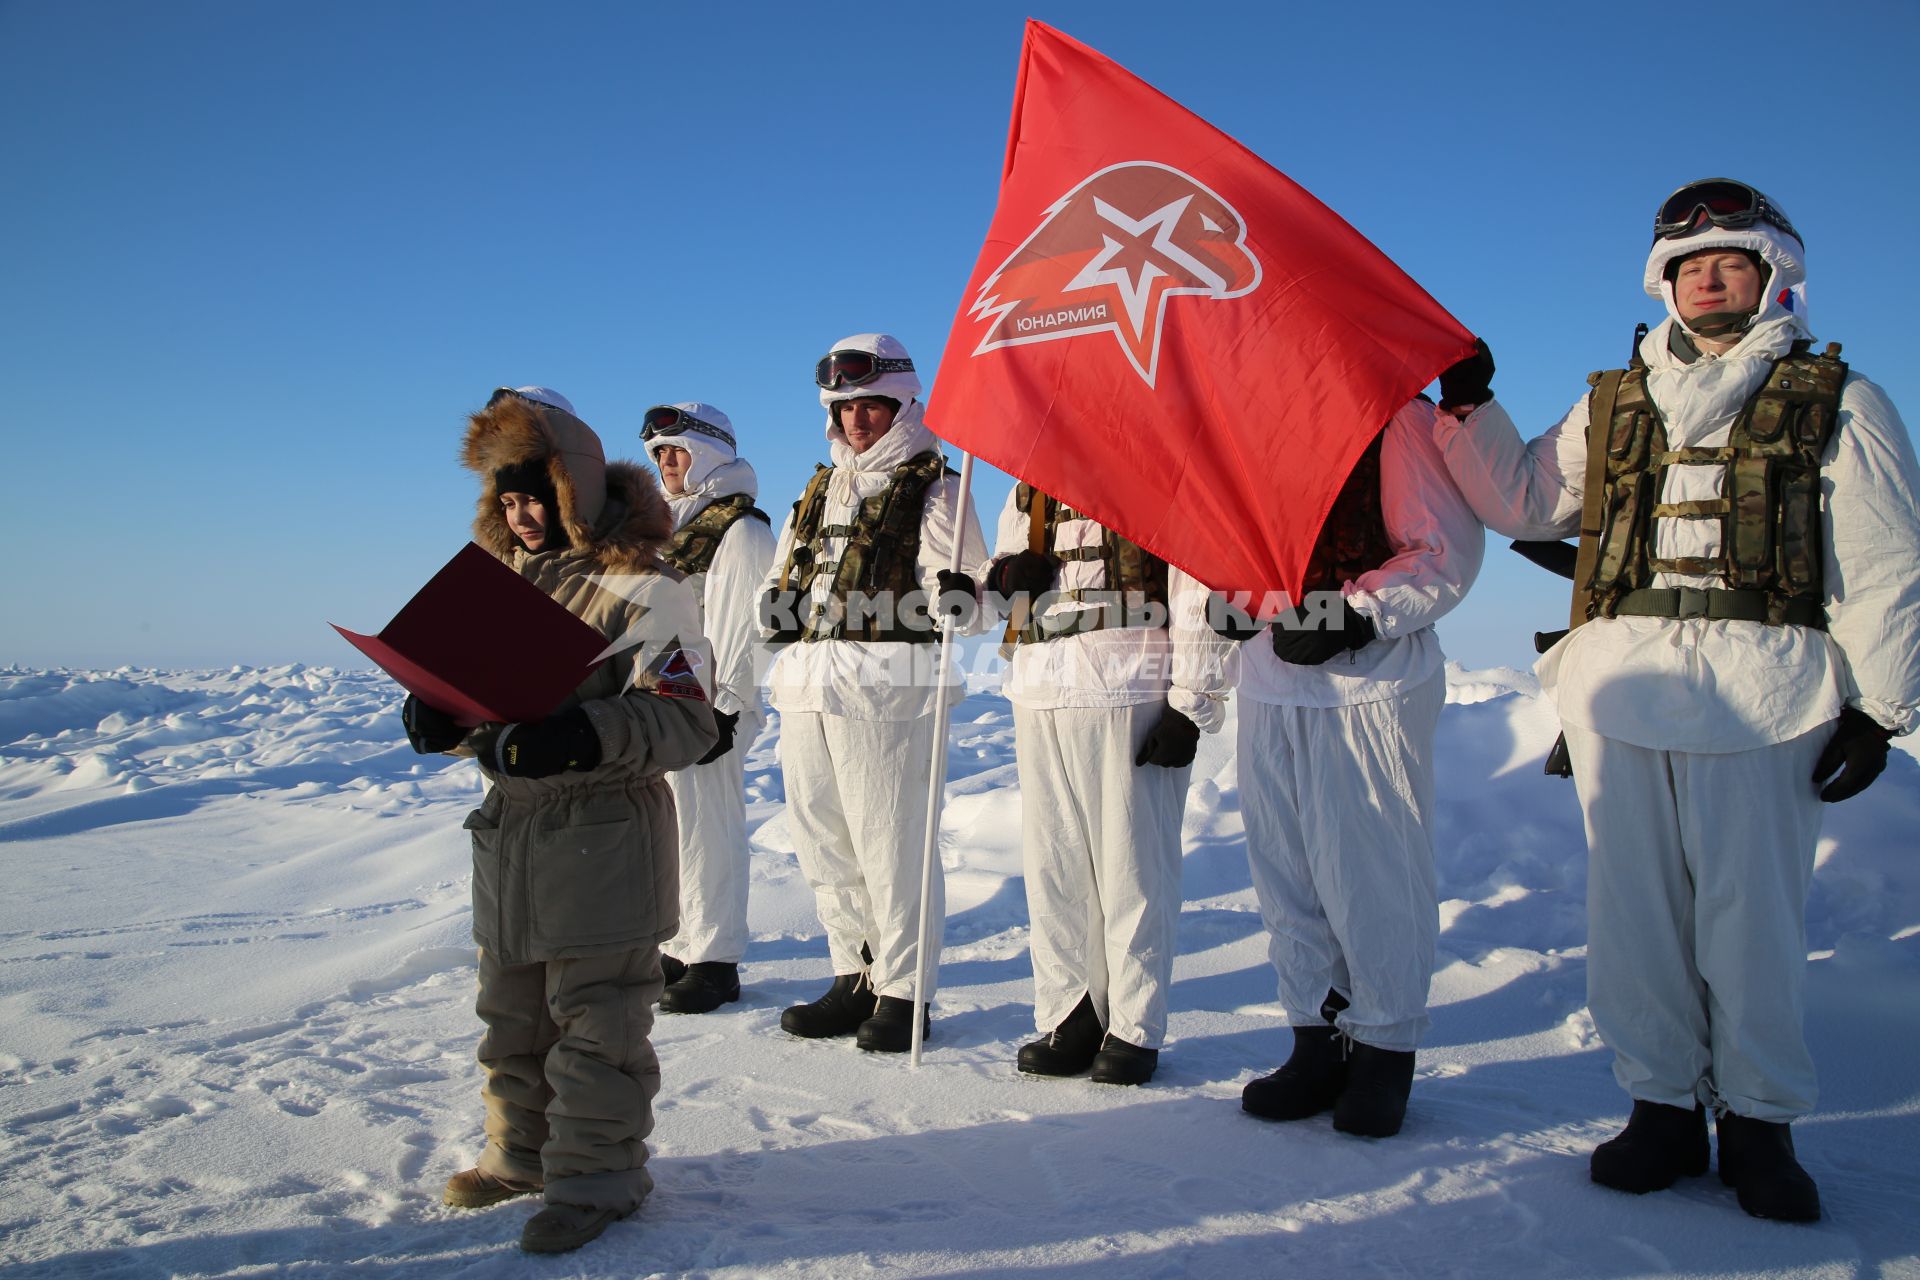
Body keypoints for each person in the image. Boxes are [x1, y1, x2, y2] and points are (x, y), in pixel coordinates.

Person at [1430, 179, 1920, 1221]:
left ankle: (1760, 1122)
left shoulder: (1840, 398)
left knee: (1752, 922)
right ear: (1662, 282)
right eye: (1688, 265)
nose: (1706, 277)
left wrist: (1879, 708)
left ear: (1773, 275)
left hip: (1767, 690)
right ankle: (1658, 1105)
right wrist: (1471, 401)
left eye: (1729, 261)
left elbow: (1888, 565)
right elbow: (1522, 495)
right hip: (1623, 686)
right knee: (1634, 915)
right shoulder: (1614, 401)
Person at [402, 385, 717, 1253]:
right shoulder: (499, 582)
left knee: (598, 1024)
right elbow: (492, 717)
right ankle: (523, 1154)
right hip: (514, 837)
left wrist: (580, 737)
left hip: (605, 835)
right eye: (506, 501)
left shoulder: (645, 586)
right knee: (513, 1018)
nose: (521, 516)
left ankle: (598, 1180)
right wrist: (440, 716)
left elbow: (691, 721)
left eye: (533, 497)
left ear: (569, 490)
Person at [1234, 397, 1483, 1138]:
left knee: (1372, 868)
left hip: (1370, 679)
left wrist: (1358, 612)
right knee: (1288, 872)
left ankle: (1383, 1045)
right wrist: (1218, 608)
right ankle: (1315, 1037)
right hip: (1268, 675)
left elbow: (1444, 546)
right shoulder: (1246, 424)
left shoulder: (1391, 417)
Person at [758, 334, 992, 1053]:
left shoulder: (937, 485)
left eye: (873, 406)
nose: (858, 420)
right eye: (846, 407)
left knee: (892, 846)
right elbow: (780, 582)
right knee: (824, 840)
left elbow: (979, 601)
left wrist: (961, 598)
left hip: (890, 691)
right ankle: (851, 974)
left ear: (903, 403)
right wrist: (773, 612)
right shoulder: (818, 488)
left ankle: (904, 991)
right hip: (807, 687)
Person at [986, 488, 1231, 1085]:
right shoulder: (1031, 484)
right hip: (1038, 687)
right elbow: (998, 588)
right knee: (1055, 869)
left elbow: (1197, 581)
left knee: (1133, 869)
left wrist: (1191, 703)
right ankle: (1072, 1012)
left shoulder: (1155, 467)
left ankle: (1133, 1026)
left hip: (1128, 683)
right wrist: (1004, 578)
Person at [642, 402, 777, 1014]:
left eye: (679, 450)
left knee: (709, 826)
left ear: (712, 452)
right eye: (659, 454)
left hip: (711, 705)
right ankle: (679, 944)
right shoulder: (664, 527)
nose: (668, 463)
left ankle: (716, 959)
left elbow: (745, 628)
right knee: (671, 829)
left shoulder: (741, 529)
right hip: (659, 701)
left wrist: (727, 707)